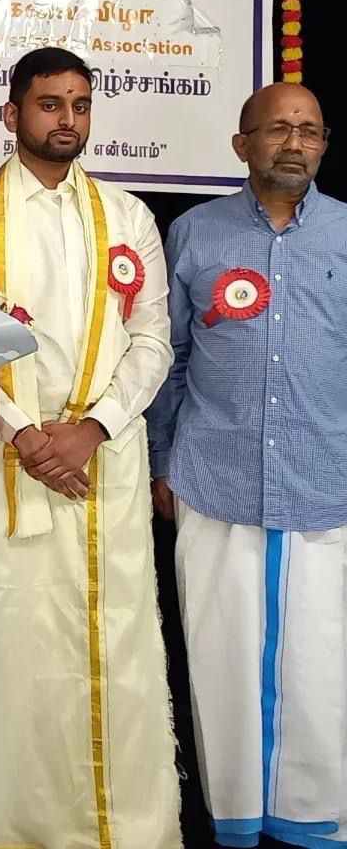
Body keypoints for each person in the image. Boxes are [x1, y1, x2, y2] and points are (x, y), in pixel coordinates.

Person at [0, 47, 182, 849]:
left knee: (113, 640)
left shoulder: (128, 216)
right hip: (6, 460)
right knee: (1, 645)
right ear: (12, 114)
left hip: (104, 459)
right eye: (49, 104)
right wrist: (28, 435)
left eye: (80, 104)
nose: (67, 119)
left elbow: (154, 341)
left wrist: (92, 429)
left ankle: (120, 829)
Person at [147, 82, 346, 848]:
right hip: (214, 478)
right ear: (241, 144)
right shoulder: (195, 233)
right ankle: (233, 820)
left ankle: (314, 820)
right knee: (221, 660)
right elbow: (169, 358)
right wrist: (162, 462)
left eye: (310, 131)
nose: (295, 143)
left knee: (321, 666)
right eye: (278, 129)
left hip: (325, 481)